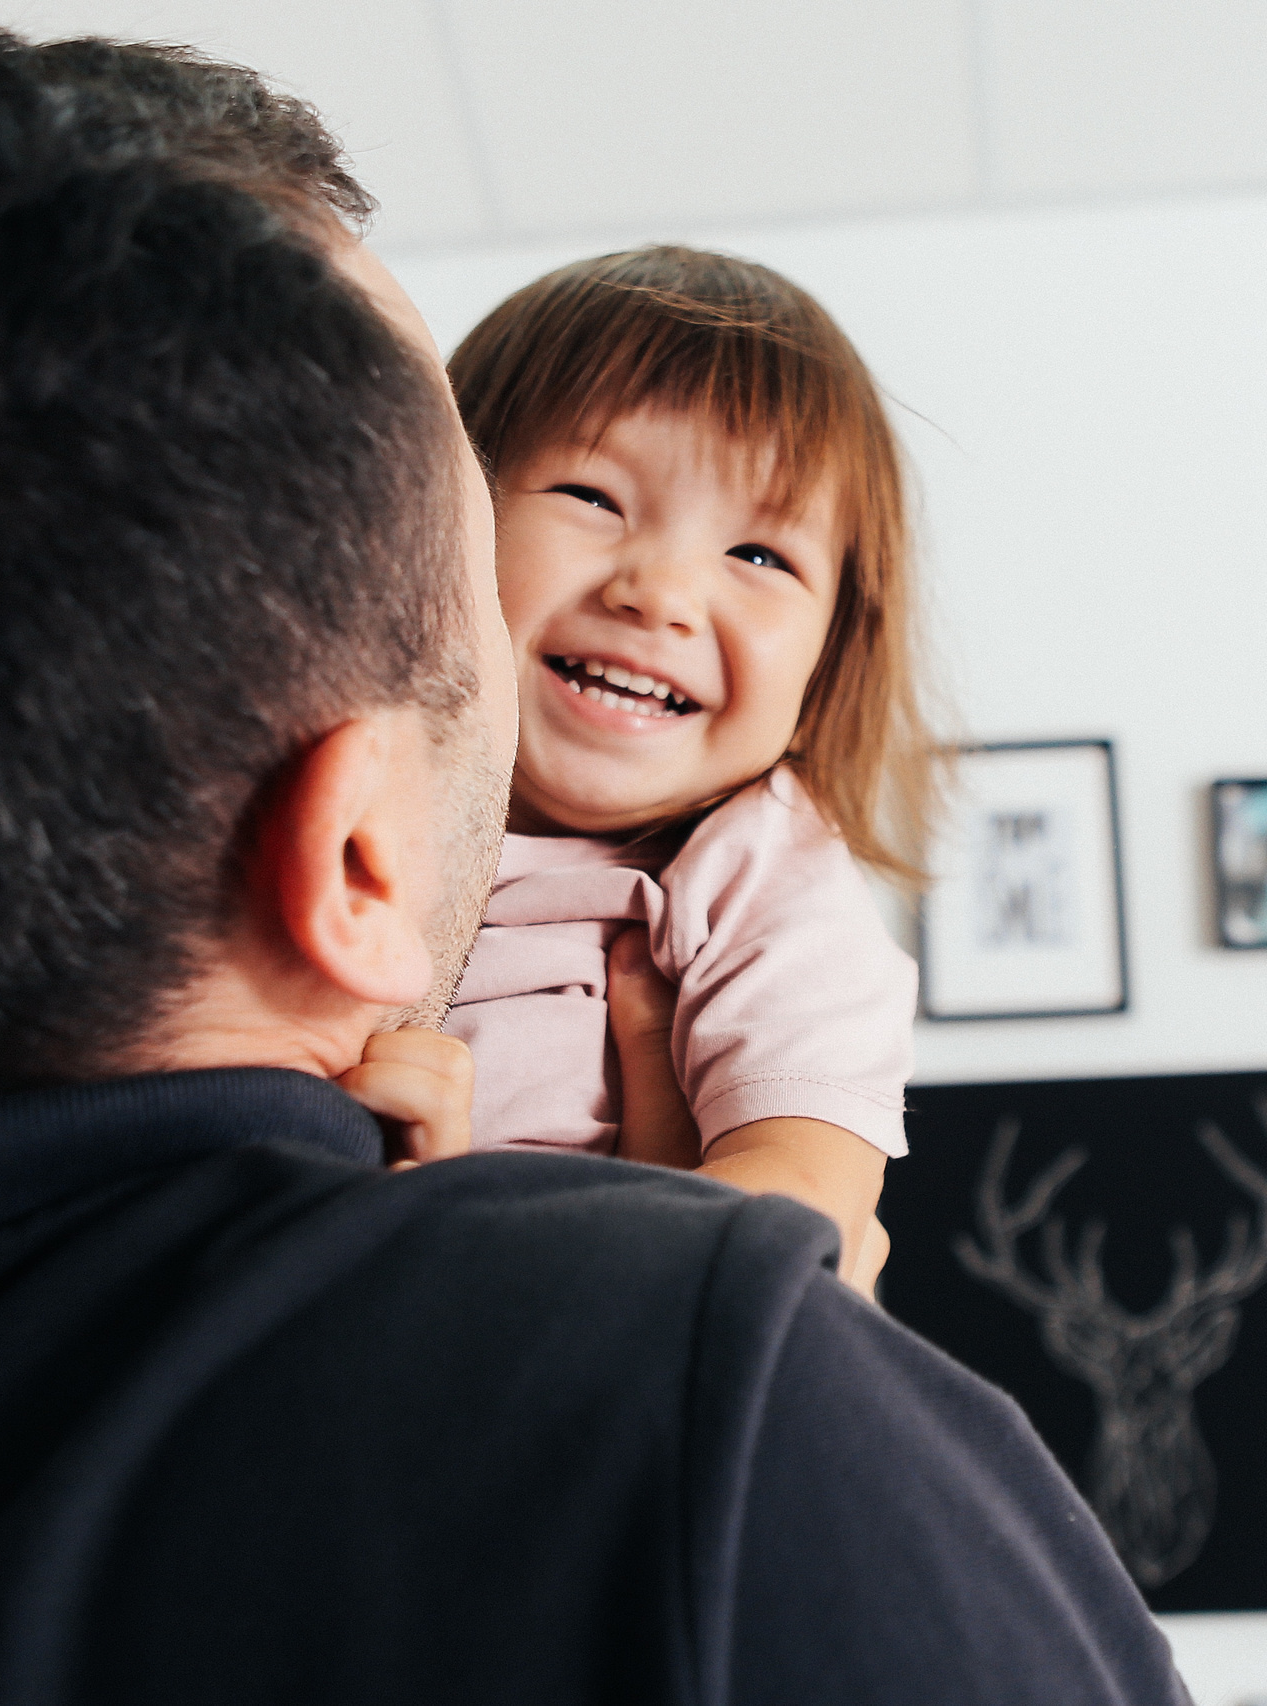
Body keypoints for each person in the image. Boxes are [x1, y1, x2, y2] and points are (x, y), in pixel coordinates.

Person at [0, 31, 1187, 1706]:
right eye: (529, 528)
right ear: (361, 857)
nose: (655, 593)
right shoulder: (714, 1429)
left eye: (763, 560)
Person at [437, 249, 933, 1295]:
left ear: (832, 652)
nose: (658, 592)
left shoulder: (760, 867)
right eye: (593, 494)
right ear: (437, 519)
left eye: (759, 555)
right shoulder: (354, 801)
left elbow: (801, 1209)